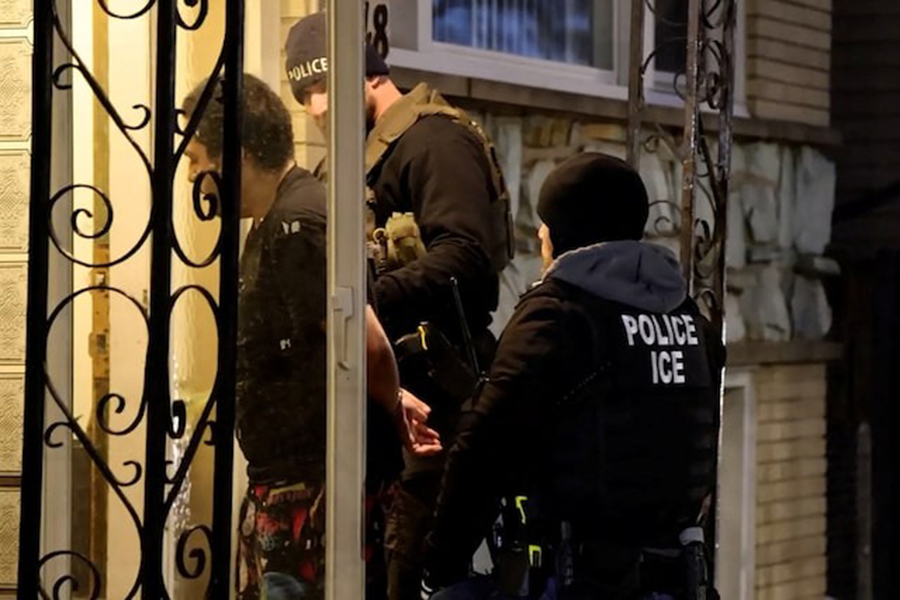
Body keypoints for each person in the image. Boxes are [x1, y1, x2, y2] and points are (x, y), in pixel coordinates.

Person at [181, 73, 440, 600]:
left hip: (313, 495)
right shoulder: (288, 214)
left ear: (240, 153)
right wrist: (394, 397)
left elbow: (357, 337)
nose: (194, 175)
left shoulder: (296, 221)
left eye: (198, 157)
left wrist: (390, 403)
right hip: (298, 484)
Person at [422, 153, 725, 600]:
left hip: (576, 579)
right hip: (671, 579)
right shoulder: (688, 316)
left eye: (546, 223)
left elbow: (484, 446)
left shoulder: (557, 312)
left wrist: (440, 564)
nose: (540, 234)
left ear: (564, 230)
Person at [284, 13, 514, 600]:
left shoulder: (434, 139)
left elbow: (466, 255)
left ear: (367, 75)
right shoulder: (347, 158)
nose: (314, 108)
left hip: (431, 400)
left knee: (403, 577)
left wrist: (357, 301)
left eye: (322, 88)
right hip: (372, 407)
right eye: (303, 95)